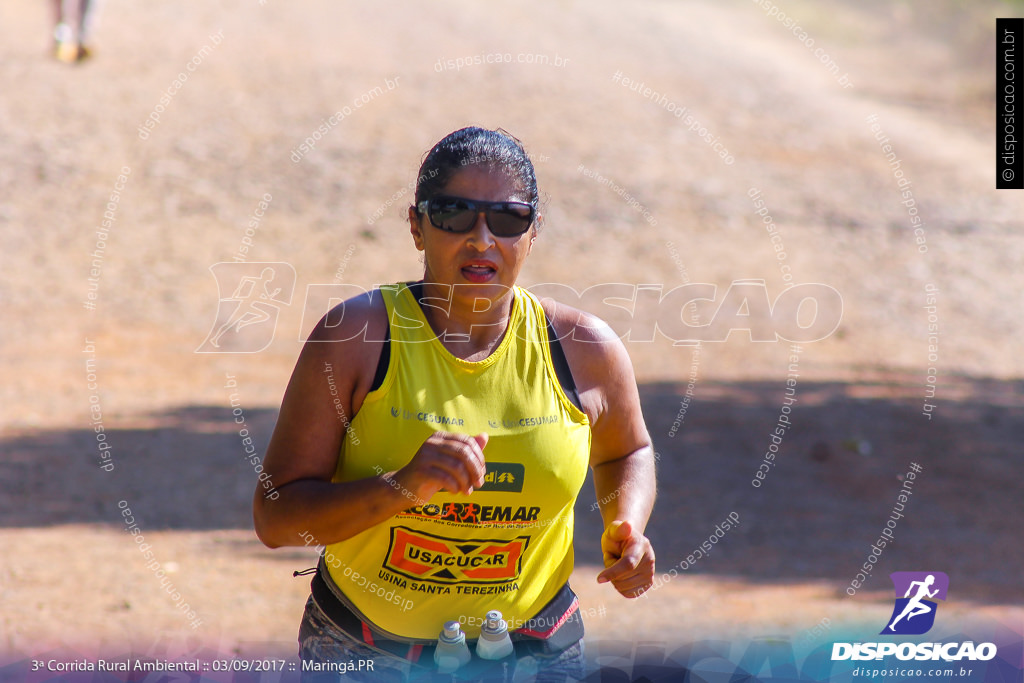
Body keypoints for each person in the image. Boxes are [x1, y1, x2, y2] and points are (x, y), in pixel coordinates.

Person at [254, 127, 657, 682]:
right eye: (454, 214)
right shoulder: (357, 338)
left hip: (533, 656)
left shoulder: (585, 350)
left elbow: (628, 449)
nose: (482, 239)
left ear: (534, 231)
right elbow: (277, 520)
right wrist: (401, 486)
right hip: (366, 652)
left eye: (508, 218)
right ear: (417, 226)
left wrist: (627, 524)